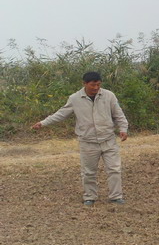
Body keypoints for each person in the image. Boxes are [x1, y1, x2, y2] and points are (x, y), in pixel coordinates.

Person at [31, 72, 129, 206]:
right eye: (93, 85)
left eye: (98, 85)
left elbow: (119, 114)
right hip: (87, 142)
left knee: (114, 169)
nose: (96, 88)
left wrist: (123, 129)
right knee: (88, 172)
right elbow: (61, 114)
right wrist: (43, 123)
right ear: (84, 84)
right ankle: (90, 197)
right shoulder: (75, 98)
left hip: (108, 139)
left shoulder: (109, 95)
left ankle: (116, 197)